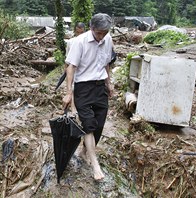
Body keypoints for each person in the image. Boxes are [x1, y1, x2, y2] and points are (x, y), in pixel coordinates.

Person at [63, 13, 113, 181]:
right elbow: (70, 68)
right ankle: (95, 163)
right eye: (99, 33)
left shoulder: (108, 39)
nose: (101, 36)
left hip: (100, 87)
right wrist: (69, 93)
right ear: (92, 28)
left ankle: (85, 151)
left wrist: (109, 83)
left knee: (98, 125)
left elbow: (106, 62)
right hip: (83, 88)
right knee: (89, 125)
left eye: (105, 33)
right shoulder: (79, 42)